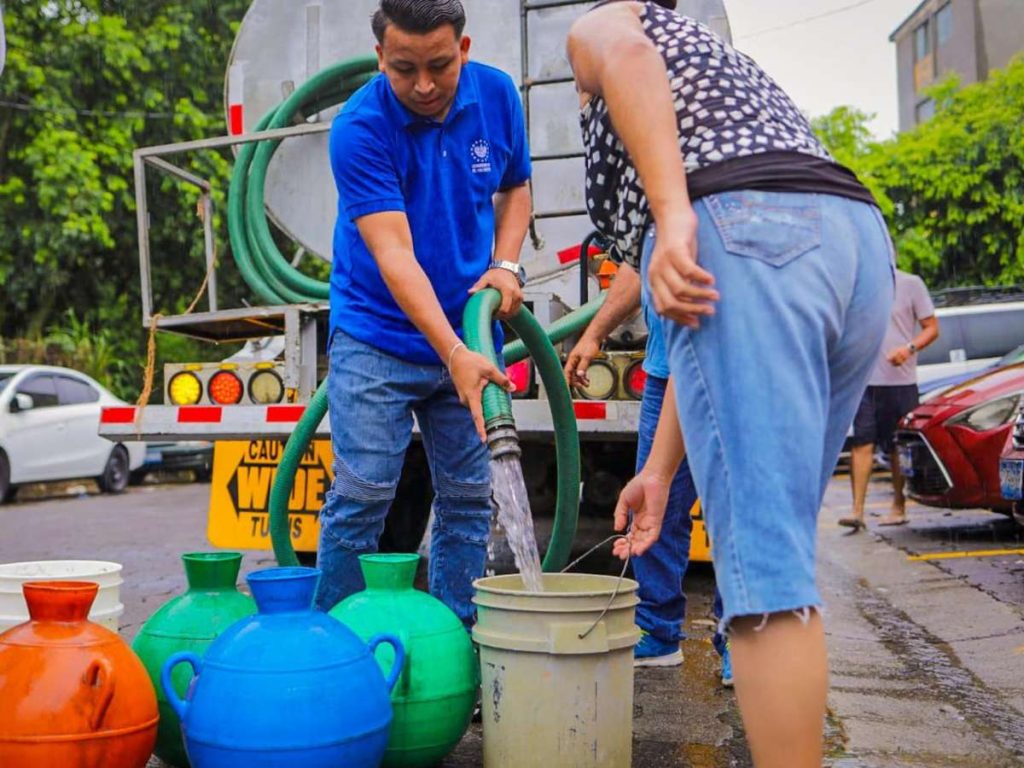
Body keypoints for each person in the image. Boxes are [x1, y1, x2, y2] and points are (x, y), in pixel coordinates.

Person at [566, 2, 894, 766]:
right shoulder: (712, 54)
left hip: (747, 228)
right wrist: (658, 470)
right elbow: (707, 356)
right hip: (853, 242)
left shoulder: (602, 26)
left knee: (763, 578)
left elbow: (625, 55)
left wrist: (674, 214)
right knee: (776, 555)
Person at [316, 0, 532, 627]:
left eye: (440, 65)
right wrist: (455, 353)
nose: (425, 85)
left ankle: (454, 641)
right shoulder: (359, 129)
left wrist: (506, 265)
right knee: (363, 497)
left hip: (469, 329)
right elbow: (394, 254)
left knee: (468, 499)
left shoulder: (496, 95)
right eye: (404, 69)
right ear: (380, 57)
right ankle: (333, 647)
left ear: (463, 49)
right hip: (377, 337)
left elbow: (515, 186)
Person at [564, 236, 732, 684]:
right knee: (658, 504)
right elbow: (633, 267)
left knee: (733, 505)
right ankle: (657, 630)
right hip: (666, 369)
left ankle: (742, 633)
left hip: (729, 367)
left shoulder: (707, 207)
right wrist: (593, 334)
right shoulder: (647, 215)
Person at [840, 270, 938, 531]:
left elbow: (932, 328)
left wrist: (908, 349)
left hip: (900, 382)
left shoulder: (911, 284)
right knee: (862, 442)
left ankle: (898, 506)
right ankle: (857, 512)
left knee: (896, 447)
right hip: (864, 381)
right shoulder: (859, 284)